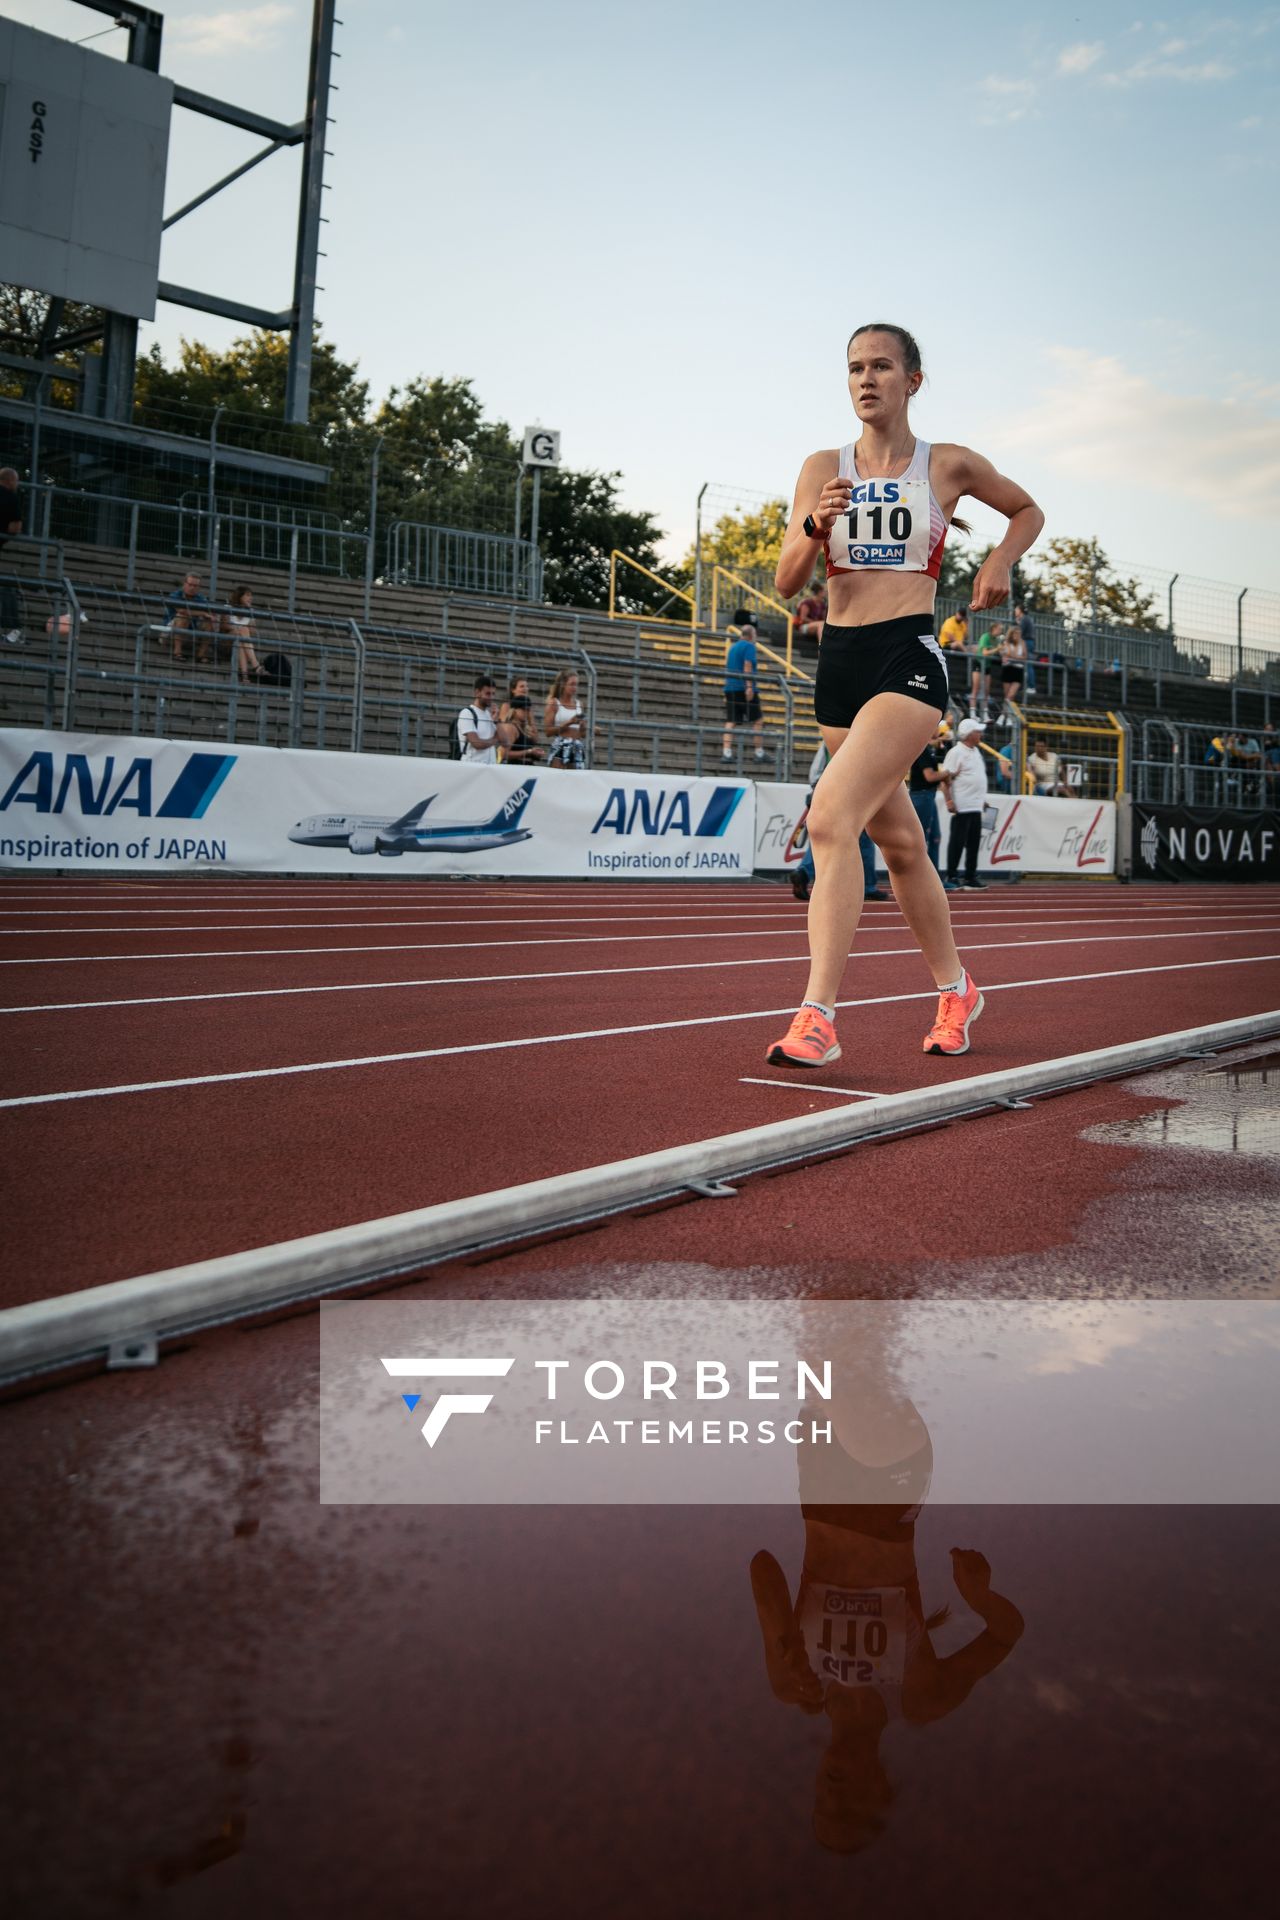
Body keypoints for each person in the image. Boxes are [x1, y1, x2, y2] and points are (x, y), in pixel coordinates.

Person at [765, 321, 1043, 1068]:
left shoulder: (945, 464)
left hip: (908, 659)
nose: (866, 379)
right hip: (840, 663)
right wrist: (813, 522)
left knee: (830, 818)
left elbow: (1027, 509)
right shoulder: (821, 466)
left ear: (912, 380)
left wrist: (1001, 561)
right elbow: (789, 580)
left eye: (881, 366)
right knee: (901, 844)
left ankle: (818, 1016)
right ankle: (957, 990)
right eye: (855, 367)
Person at [941, 717, 990, 889]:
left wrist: (982, 799)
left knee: (973, 843)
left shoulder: (975, 751)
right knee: (957, 841)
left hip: (975, 805)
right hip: (962, 805)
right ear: (969, 734)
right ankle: (952, 875)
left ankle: (970, 875)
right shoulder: (956, 752)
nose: (980, 734)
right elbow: (946, 778)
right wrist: (948, 799)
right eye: (977, 731)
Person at [722, 610, 765, 763]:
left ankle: (726, 752)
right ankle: (758, 753)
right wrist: (749, 687)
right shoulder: (749, 646)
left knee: (731, 720)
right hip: (743, 687)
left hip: (730, 687)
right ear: (751, 635)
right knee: (757, 720)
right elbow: (747, 666)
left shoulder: (733, 647)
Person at [908, 726, 948, 869]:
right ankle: (925, 876)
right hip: (923, 796)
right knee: (925, 837)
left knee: (933, 837)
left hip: (925, 795)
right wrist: (950, 773)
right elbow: (930, 776)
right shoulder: (923, 750)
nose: (939, 730)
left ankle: (932, 878)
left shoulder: (926, 749)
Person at [164, 570, 215, 663]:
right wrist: (202, 613)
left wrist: (208, 616)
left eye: (195, 586)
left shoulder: (201, 599)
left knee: (209, 622)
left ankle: (200, 655)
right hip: (169, 634)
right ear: (184, 583)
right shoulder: (175, 595)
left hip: (190, 634)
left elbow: (209, 613)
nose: (192, 588)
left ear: (199, 587)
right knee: (183, 616)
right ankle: (177, 653)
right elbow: (181, 610)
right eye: (190, 584)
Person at [456, 673, 507, 763]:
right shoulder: (467, 713)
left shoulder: (490, 714)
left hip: (490, 769)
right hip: (472, 767)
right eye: (488, 694)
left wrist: (497, 721)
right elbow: (477, 743)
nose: (491, 697)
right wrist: (495, 739)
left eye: (493, 694)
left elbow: (506, 742)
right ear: (477, 693)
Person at [544, 667, 588, 769]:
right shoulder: (554, 703)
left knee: (576, 782)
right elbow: (548, 731)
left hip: (577, 746)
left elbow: (583, 734)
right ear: (563, 684)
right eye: (572, 684)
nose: (575, 687)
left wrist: (583, 727)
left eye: (576, 684)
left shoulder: (579, 704)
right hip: (561, 745)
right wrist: (569, 722)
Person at [220, 585, 264, 682]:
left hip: (240, 643)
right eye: (248, 595)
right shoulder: (228, 607)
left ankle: (244, 676)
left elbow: (252, 631)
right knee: (241, 631)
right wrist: (237, 629)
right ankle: (255, 665)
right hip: (226, 643)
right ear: (239, 596)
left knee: (240, 638)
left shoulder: (250, 611)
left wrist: (250, 614)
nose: (250, 598)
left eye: (251, 596)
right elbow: (223, 626)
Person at [0, 464, 23, 645]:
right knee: (6, 588)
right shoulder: (10, 497)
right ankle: (14, 628)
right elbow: (15, 527)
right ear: (8, 481)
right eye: (16, 481)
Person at [499, 675, 545, 764]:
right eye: (522, 686)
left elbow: (535, 738)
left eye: (526, 686)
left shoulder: (528, 709)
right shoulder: (506, 706)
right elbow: (504, 734)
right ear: (513, 690)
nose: (525, 689)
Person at [969, 621, 1002, 719]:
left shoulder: (996, 640)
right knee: (976, 688)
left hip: (987, 665)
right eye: (999, 629)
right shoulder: (985, 637)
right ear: (994, 629)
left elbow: (996, 651)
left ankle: (985, 713)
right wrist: (997, 649)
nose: (1001, 631)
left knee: (987, 690)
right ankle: (973, 713)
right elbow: (984, 652)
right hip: (979, 663)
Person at [997, 616, 1026, 720]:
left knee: (1011, 694)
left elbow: (1024, 657)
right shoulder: (1007, 642)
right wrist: (1016, 657)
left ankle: (1003, 715)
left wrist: (1015, 657)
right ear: (1012, 633)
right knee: (1008, 695)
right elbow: (1009, 653)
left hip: (1018, 669)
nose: (1018, 636)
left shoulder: (1022, 643)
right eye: (1016, 633)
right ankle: (1007, 716)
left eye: (1019, 634)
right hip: (1008, 669)